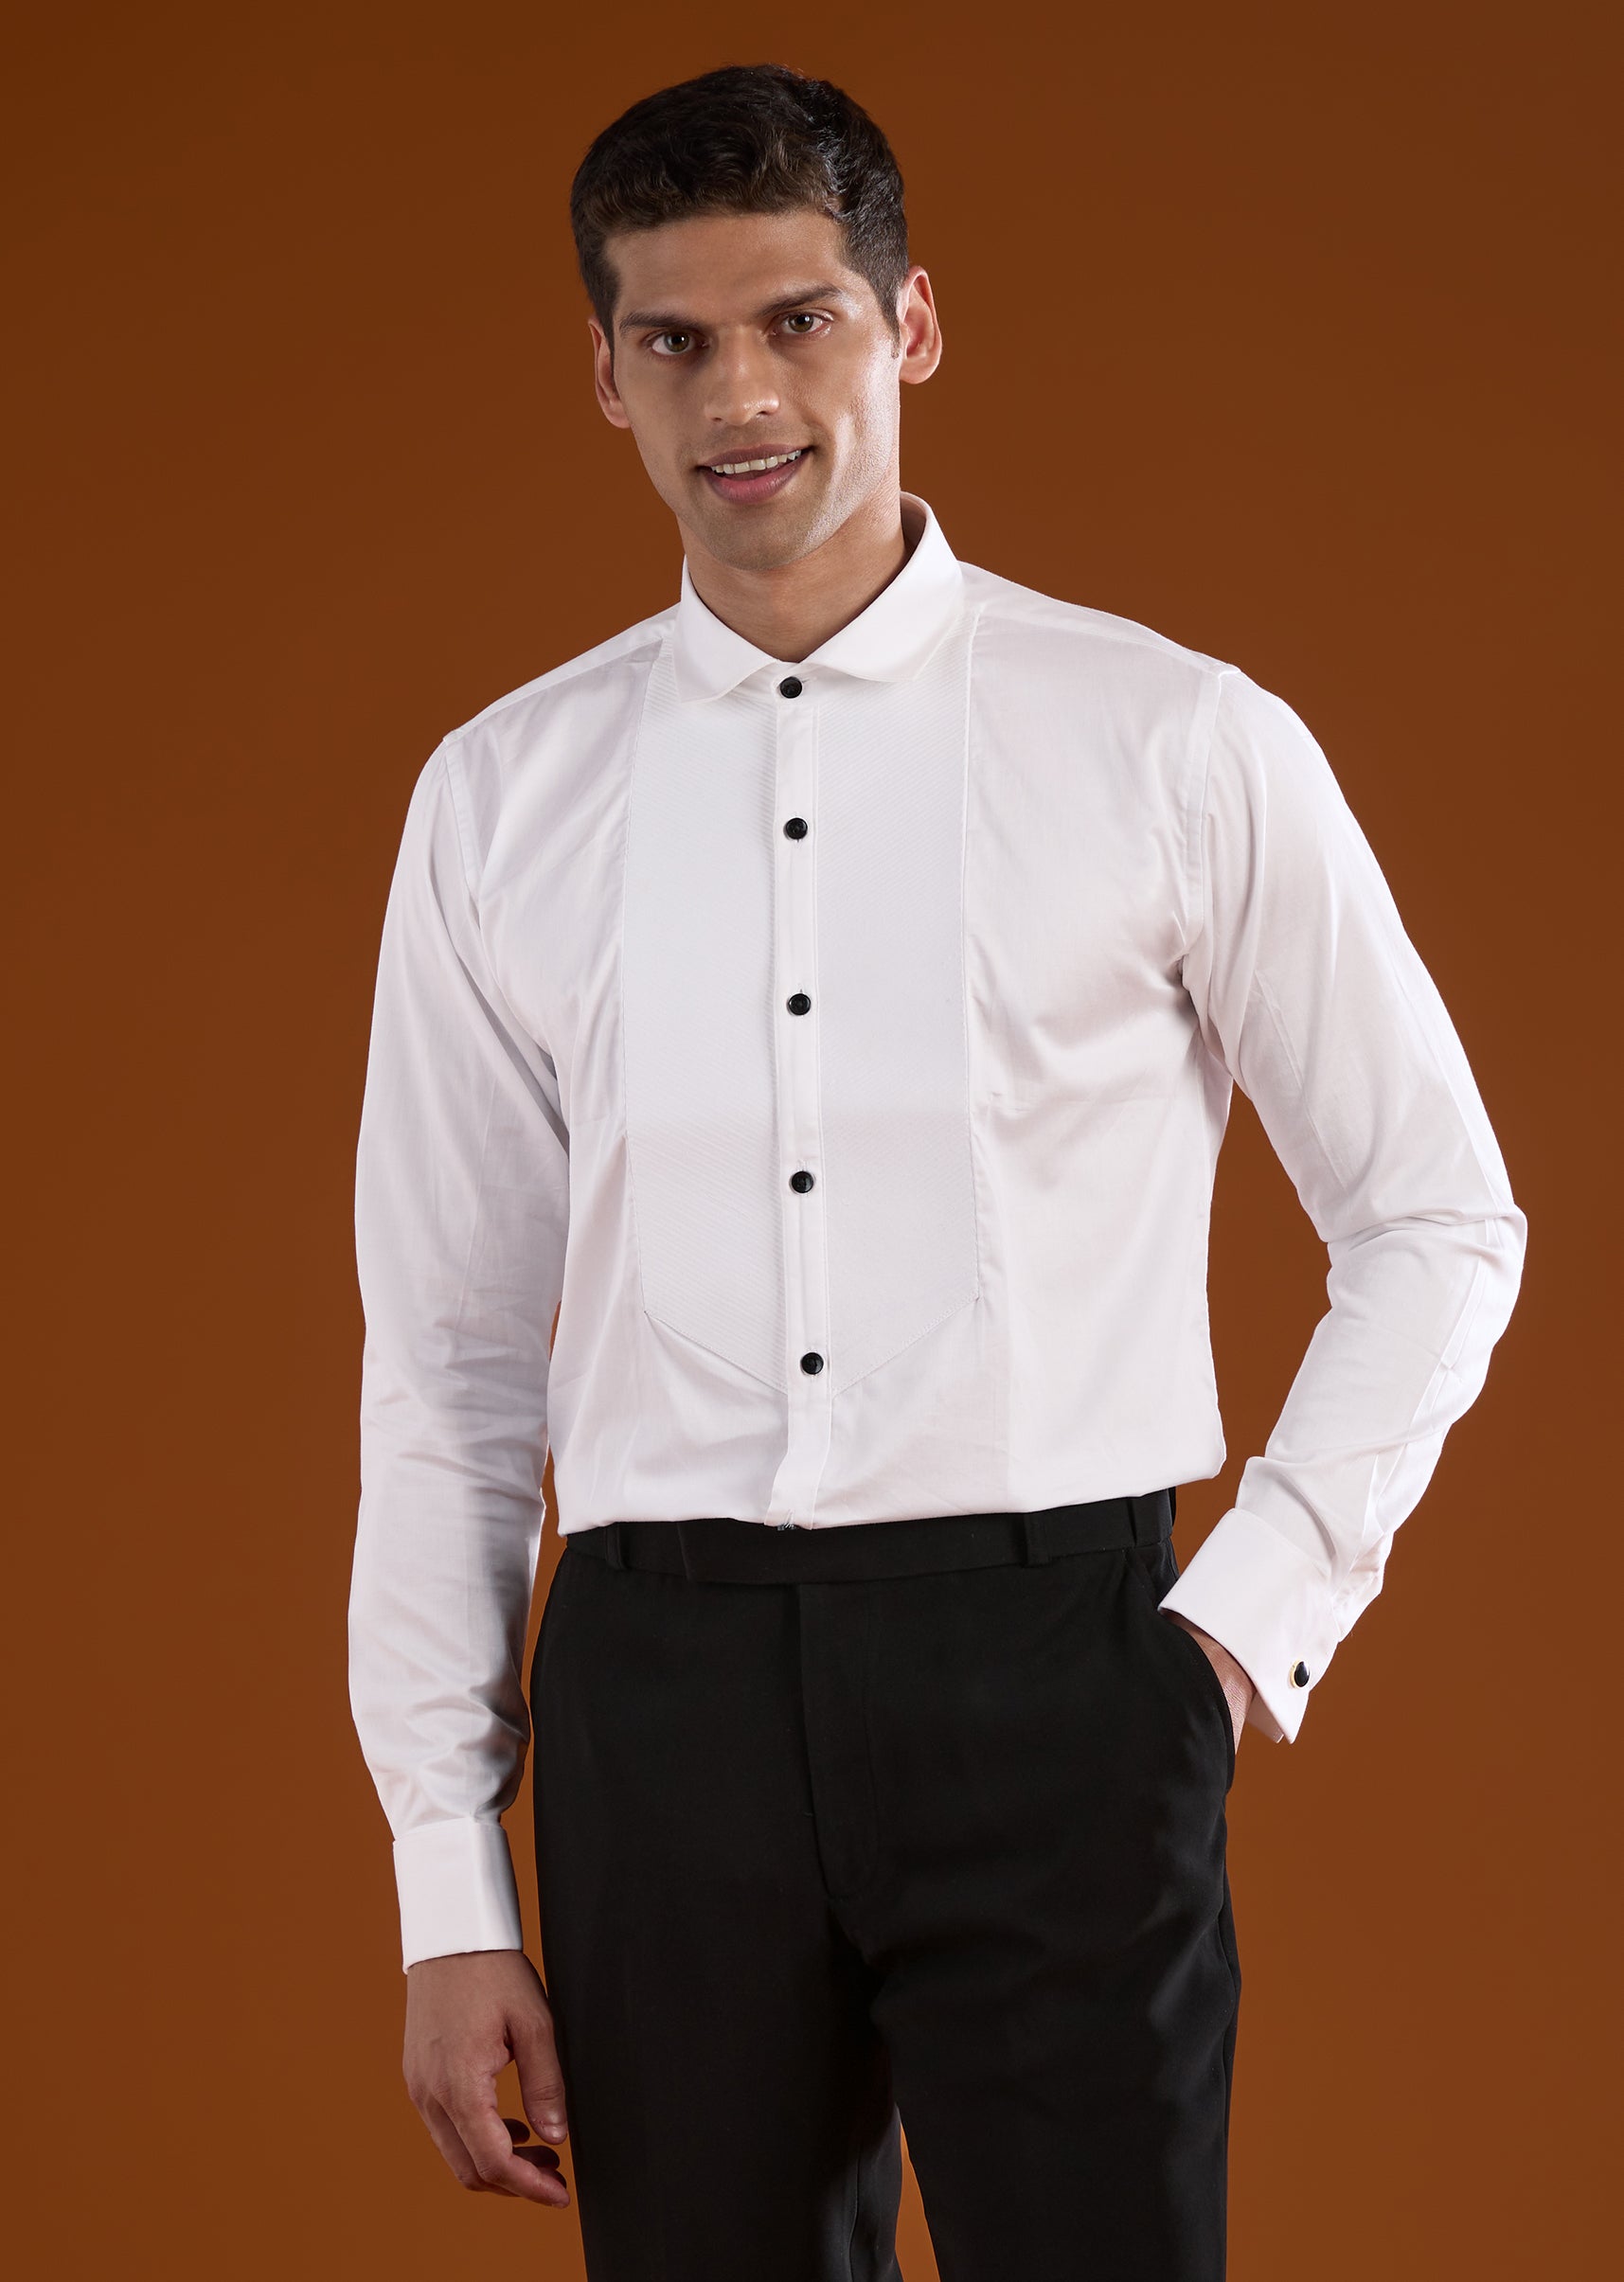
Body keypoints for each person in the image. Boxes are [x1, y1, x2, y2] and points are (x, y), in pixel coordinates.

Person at [347, 61, 1526, 2282]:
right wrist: (446, 1881)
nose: (740, 395)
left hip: (1059, 1673)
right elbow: (450, 1352)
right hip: (660, 1699)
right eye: (675, 340)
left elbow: (1439, 1215)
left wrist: (1237, 1635)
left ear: (909, 323)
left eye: (796, 319)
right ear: (605, 374)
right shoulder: (500, 798)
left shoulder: (1171, 739)